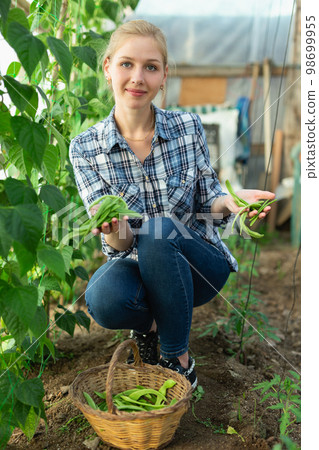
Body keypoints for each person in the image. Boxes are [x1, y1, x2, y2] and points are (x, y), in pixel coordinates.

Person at [69, 20, 275, 389]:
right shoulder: (85, 148)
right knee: (102, 297)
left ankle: (177, 358)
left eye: (151, 67)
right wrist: (116, 230)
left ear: (164, 76)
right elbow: (118, 244)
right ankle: (149, 330)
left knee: (161, 229)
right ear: (108, 67)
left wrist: (231, 200)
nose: (138, 77)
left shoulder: (186, 127)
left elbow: (207, 200)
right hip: (134, 265)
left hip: (197, 266)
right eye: (126, 64)